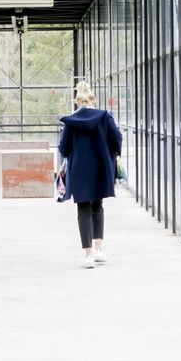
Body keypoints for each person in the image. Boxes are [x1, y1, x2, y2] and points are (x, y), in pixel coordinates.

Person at [56, 80, 122, 269]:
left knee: (83, 208)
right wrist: (111, 154)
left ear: (78, 102)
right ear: (93, 100)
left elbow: (64, 147)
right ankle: (99, 249)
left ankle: (88, 255)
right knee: (97, 206)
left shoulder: (71, 121)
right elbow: (117, 137)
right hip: (100, 167)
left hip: (79, 170)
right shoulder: (105, 117)